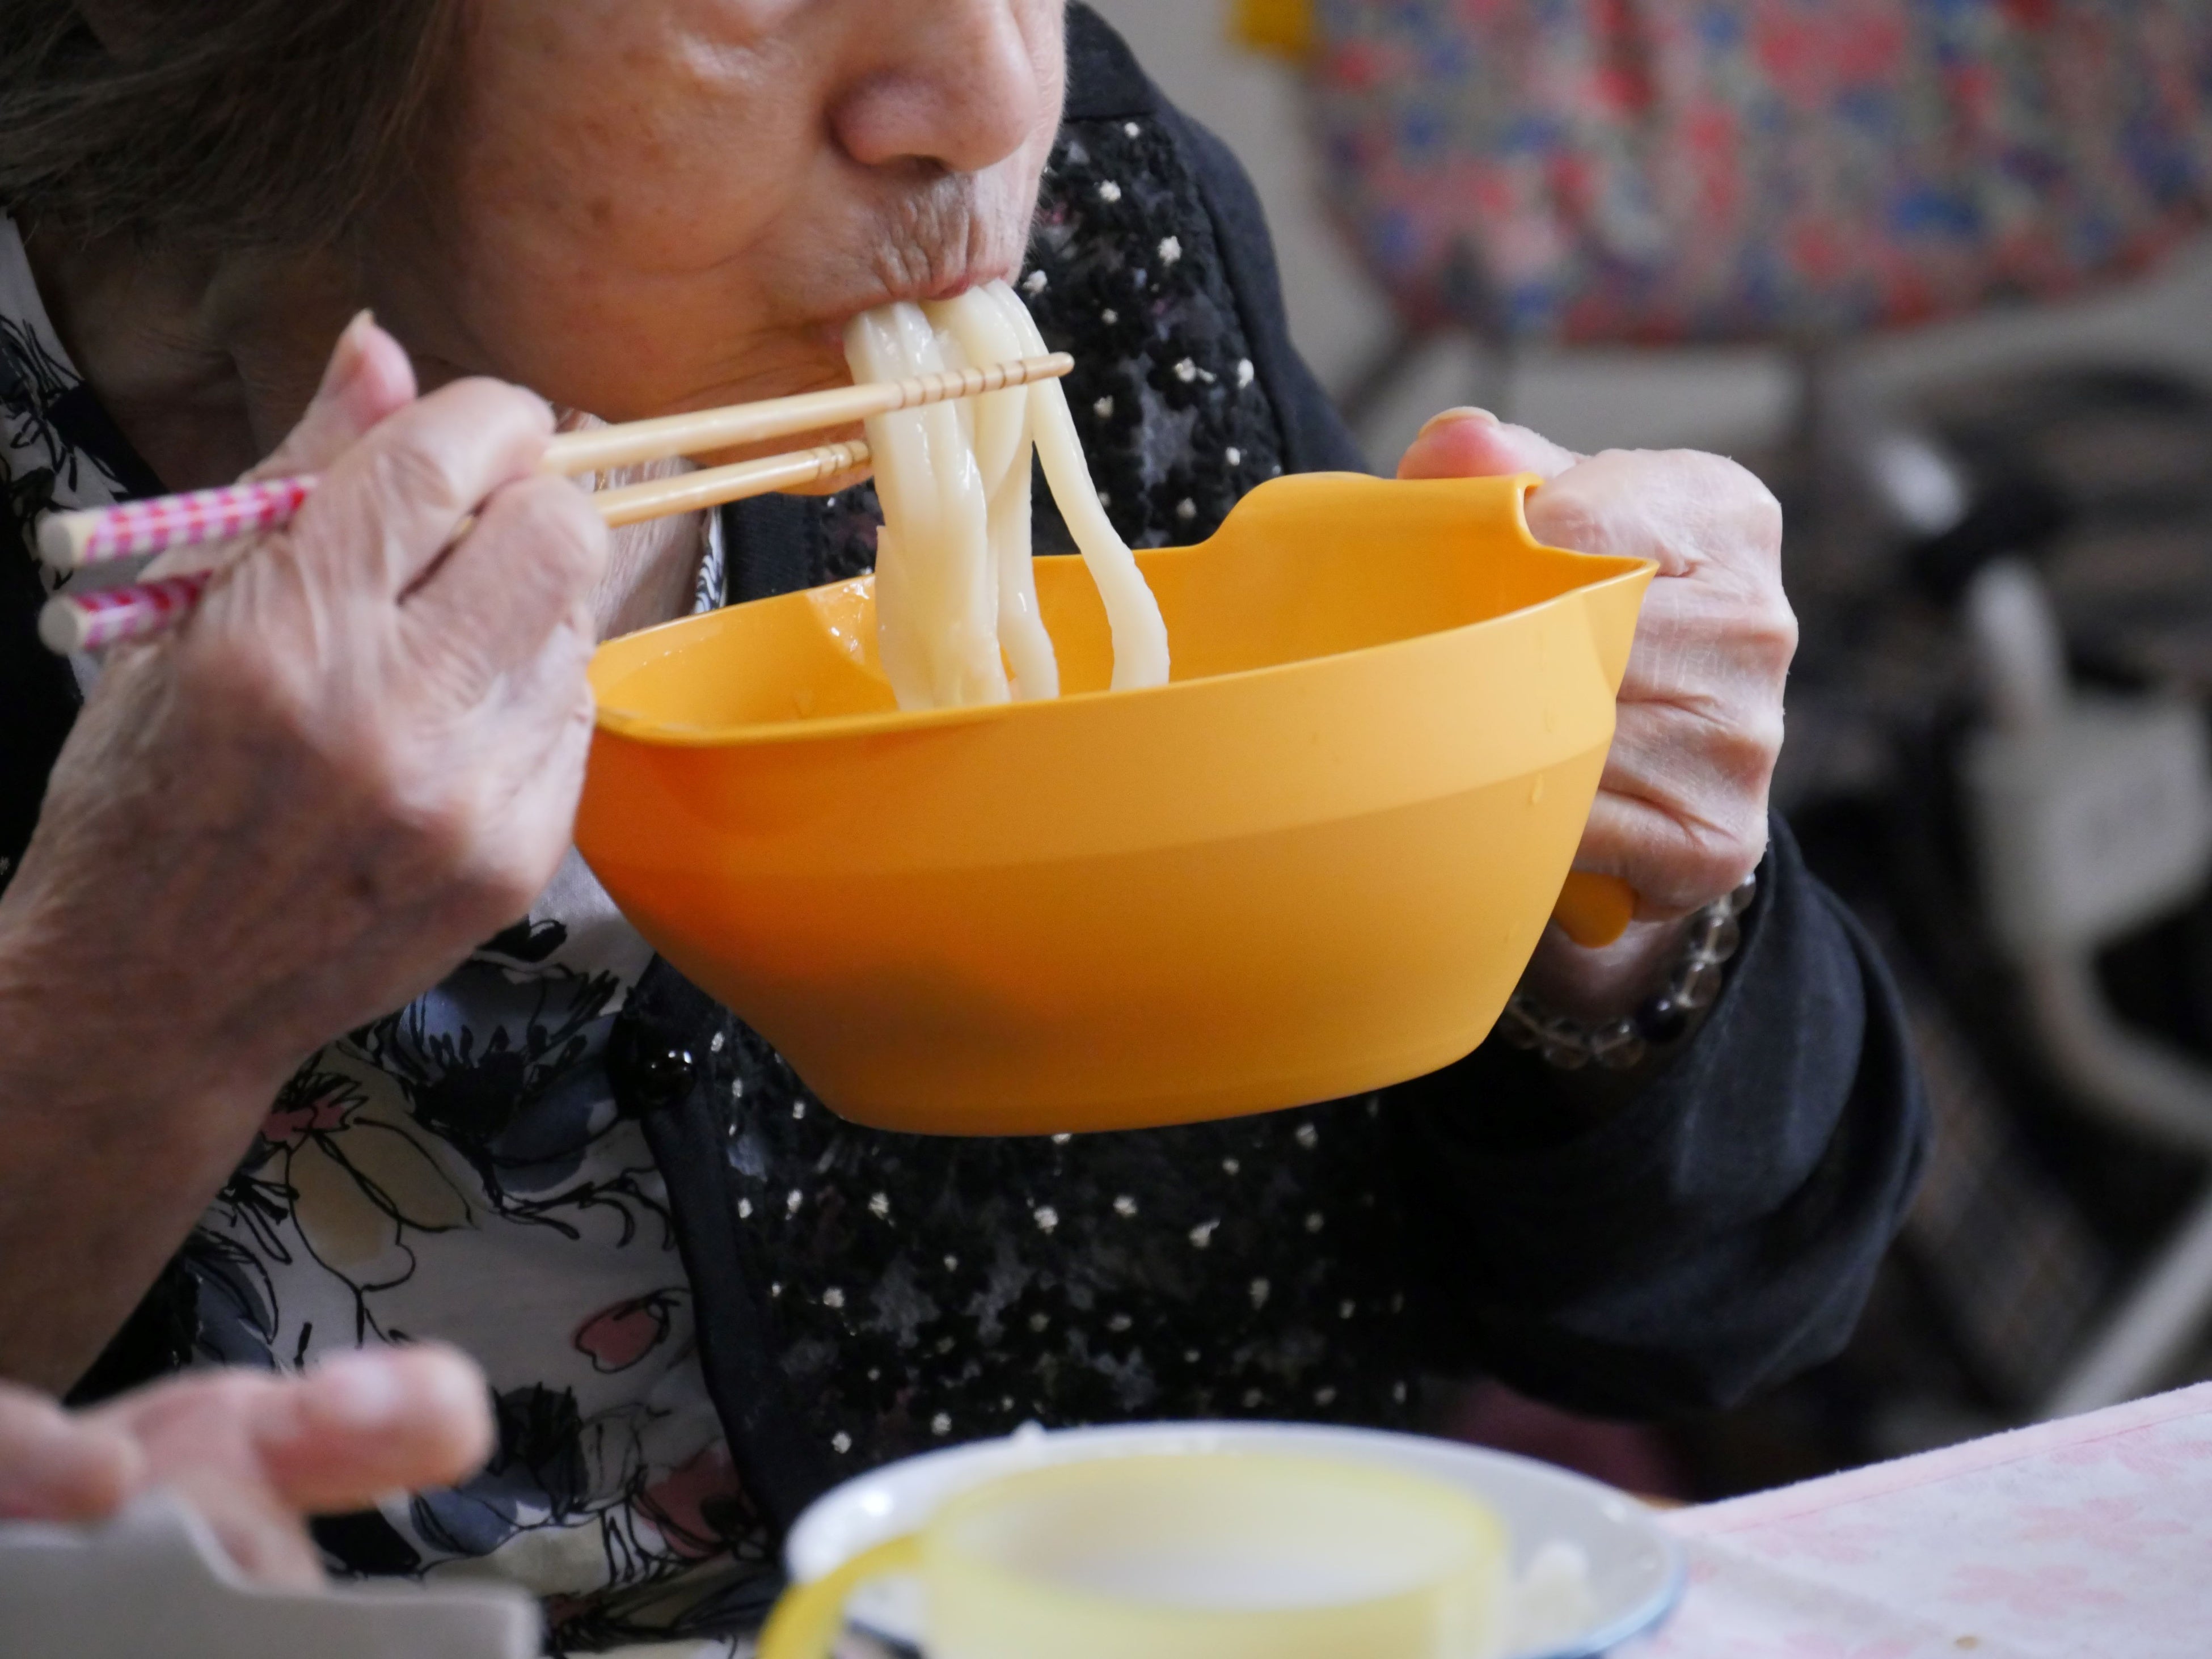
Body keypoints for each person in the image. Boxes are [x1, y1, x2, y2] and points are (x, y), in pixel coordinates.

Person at [0, 1, 1927, 1648]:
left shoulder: (1068, 214)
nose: (987, 98)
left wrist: (1610, 884)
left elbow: (1711, 1302)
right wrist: (122, 1008)